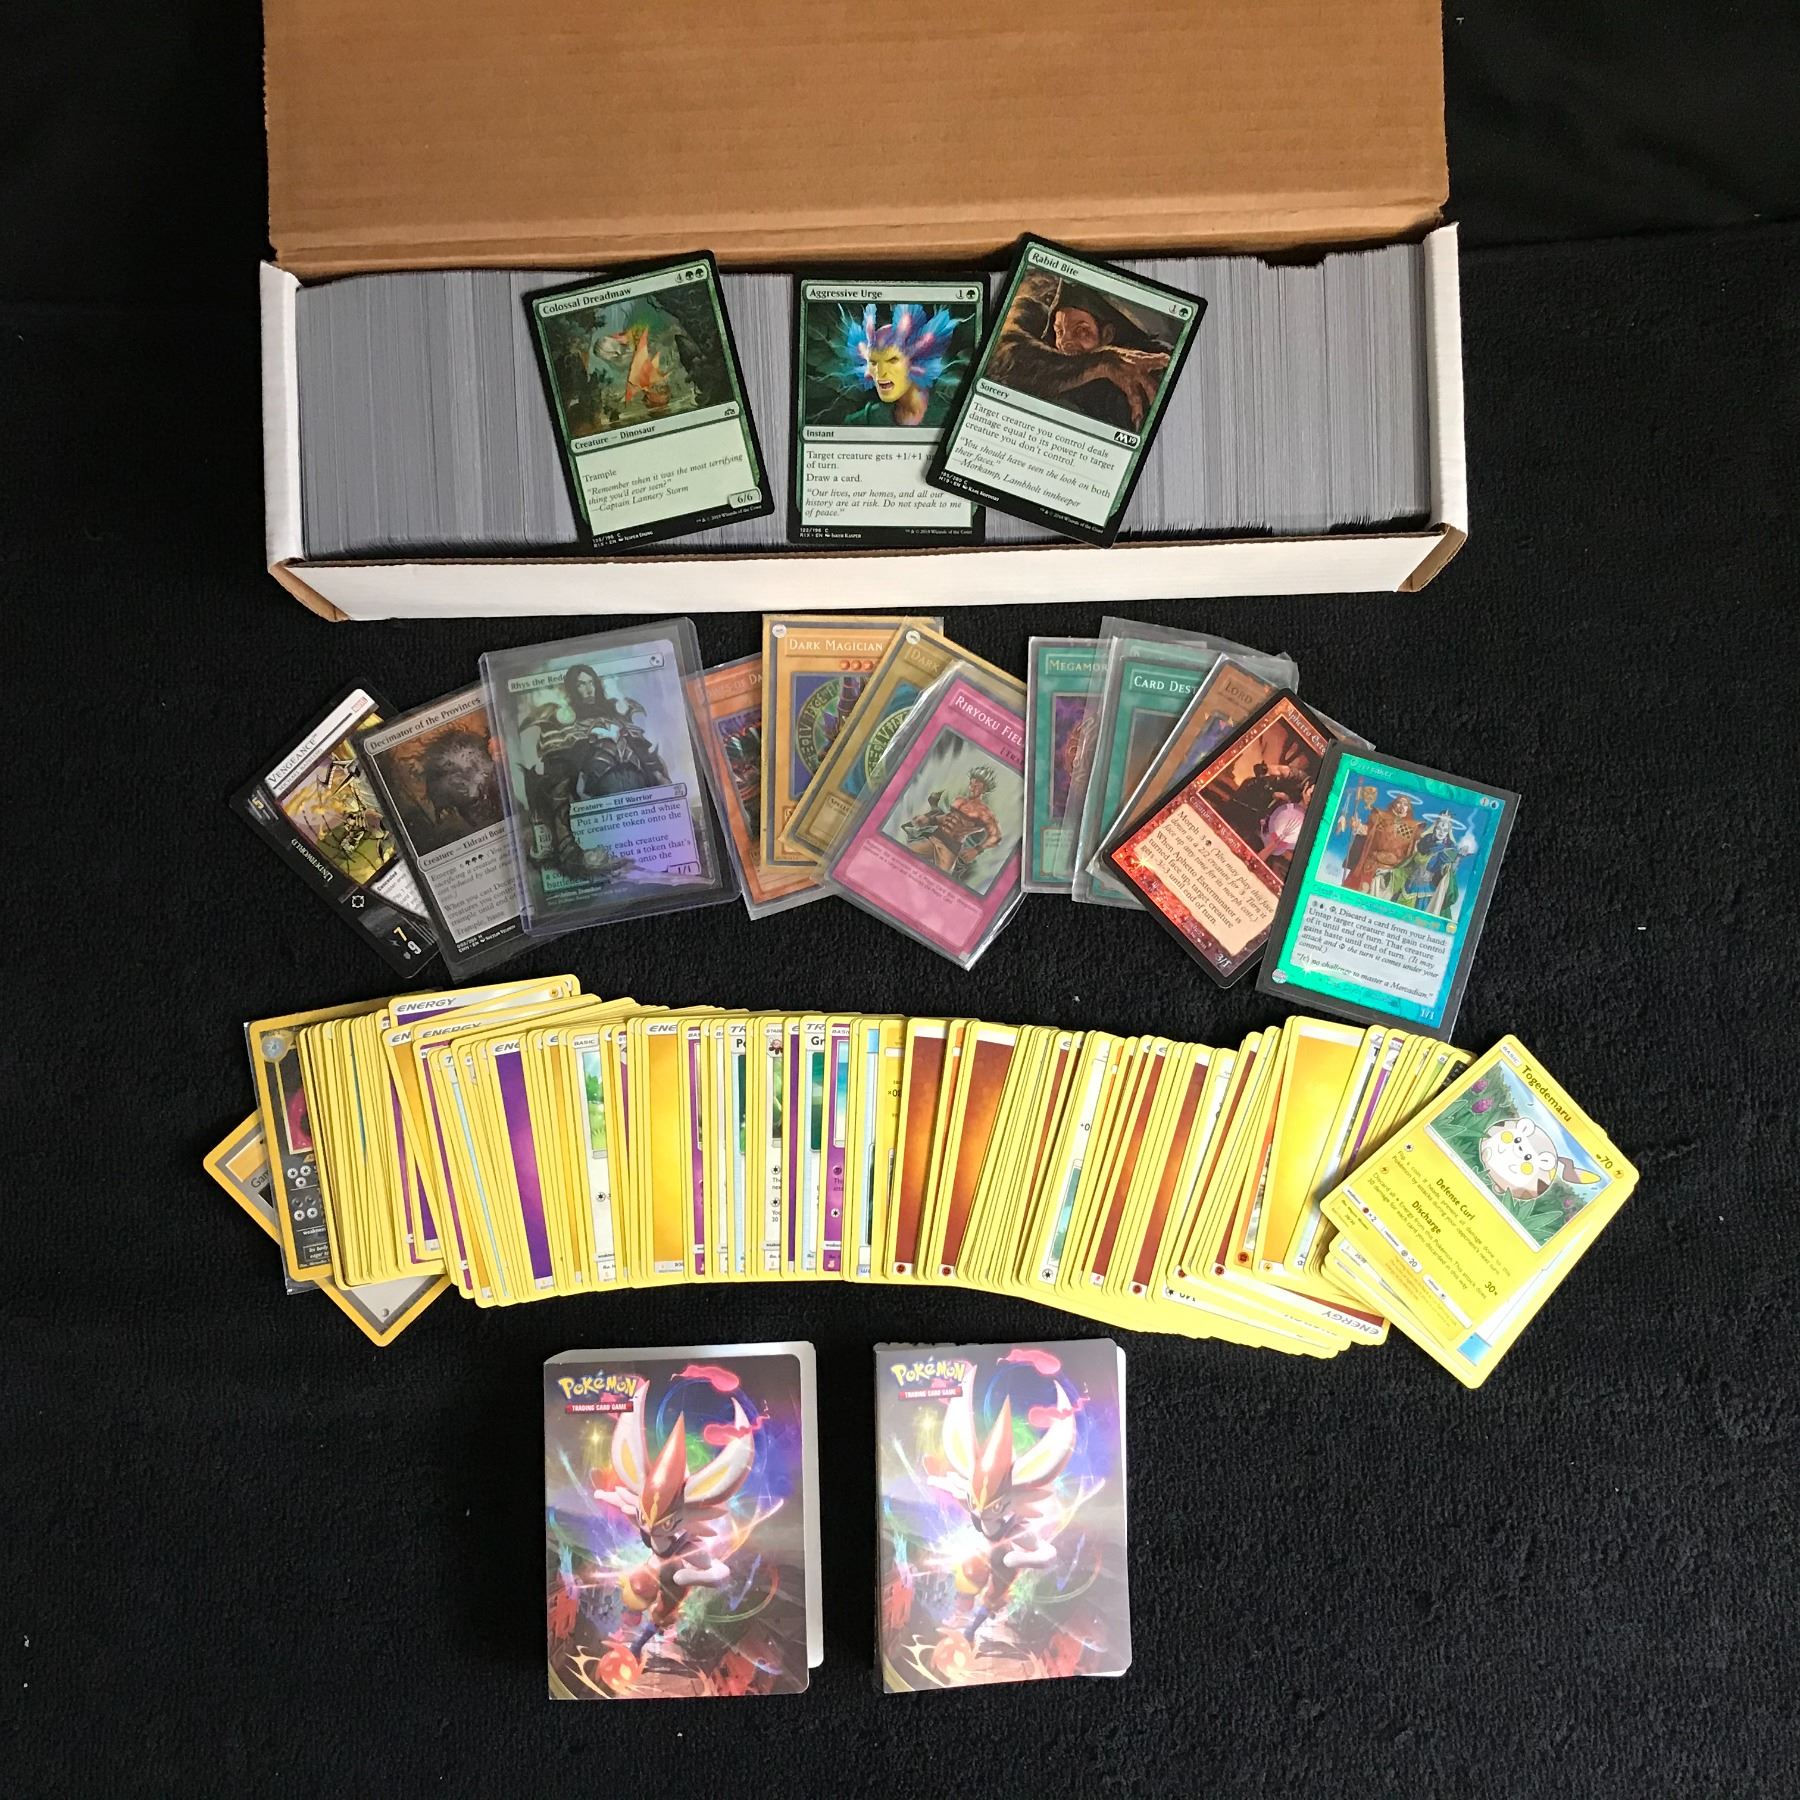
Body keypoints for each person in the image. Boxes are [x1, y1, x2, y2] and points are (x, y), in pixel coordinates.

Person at [986, 273, 1172, 430]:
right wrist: (1103, 362)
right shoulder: (1032, 310)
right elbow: (1005, 352)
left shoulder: (1137, 366)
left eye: (1081, 331)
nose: (1065, 343)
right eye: (1059, 332)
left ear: (1107, 335)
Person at [901, 764, 1002, 883]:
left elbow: (996, 836)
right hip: (934, 839)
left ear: (984, 788)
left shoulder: (984, 812)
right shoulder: (959, 801)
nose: (972, 787)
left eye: (977, 785)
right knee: (903, 853)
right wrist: (929, 820)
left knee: (939, 881)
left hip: (949, 849)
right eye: (971, 783)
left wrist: (977, 850)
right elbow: (948, 818)